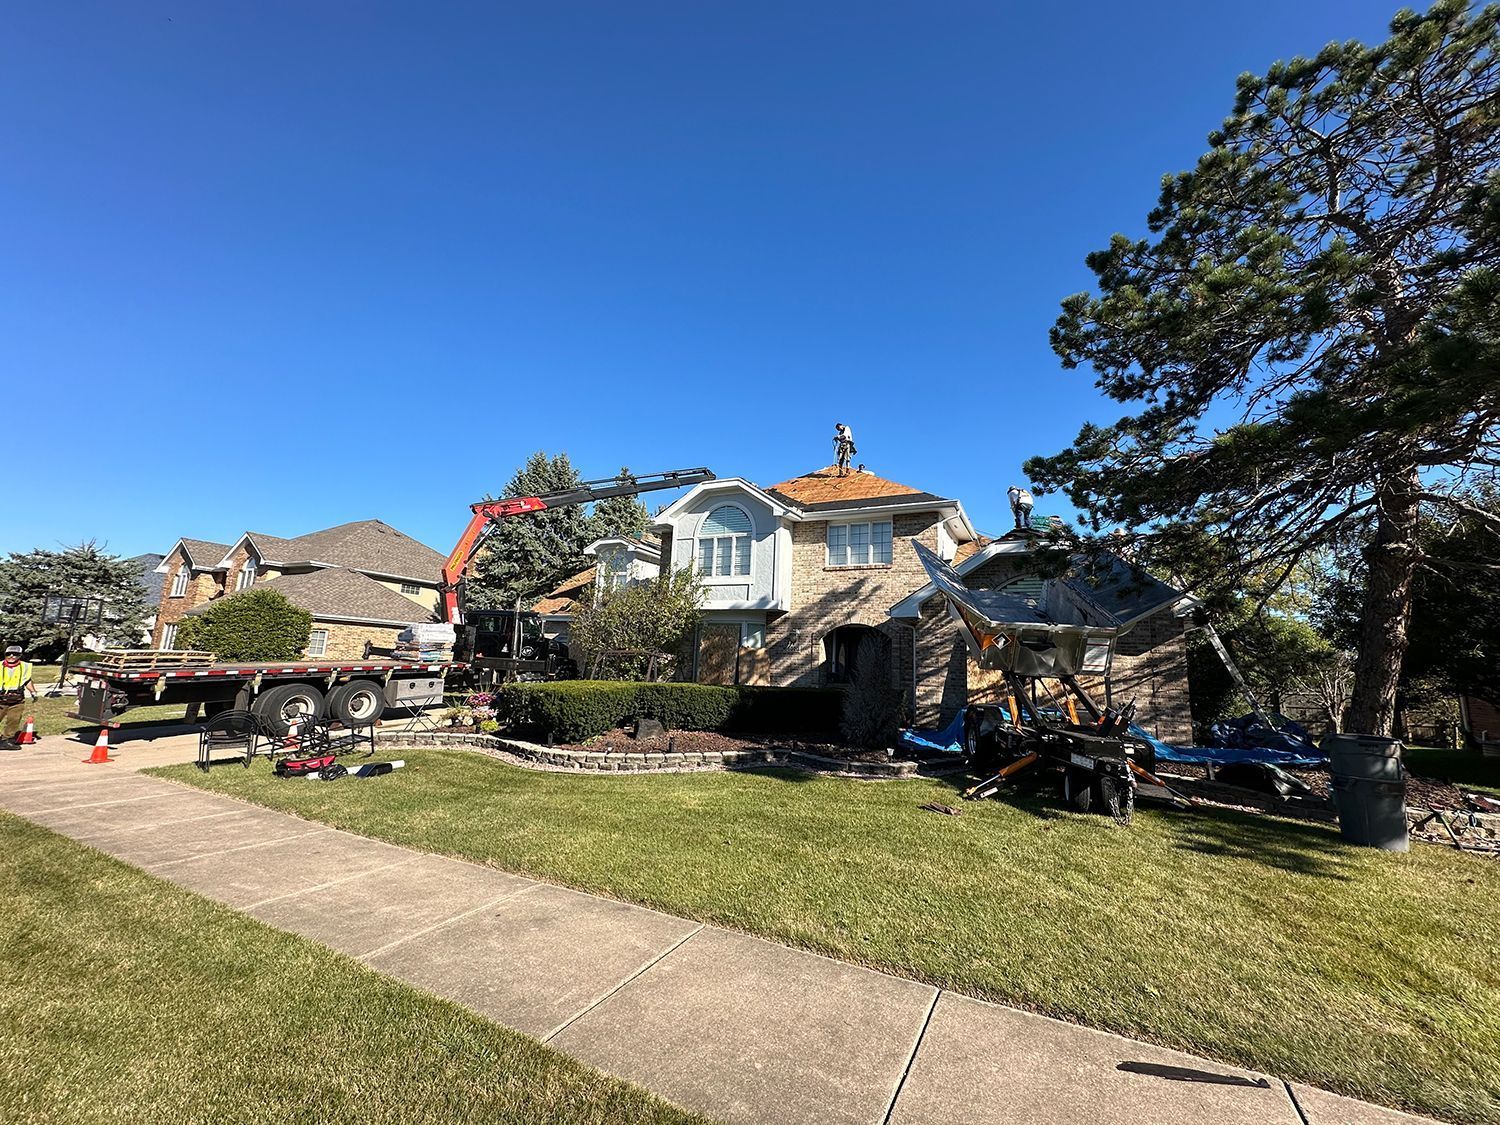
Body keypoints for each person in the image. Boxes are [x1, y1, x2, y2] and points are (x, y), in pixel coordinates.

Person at [0, 645, 38, 749]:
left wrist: (33, 692)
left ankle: (6, 741)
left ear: (20, 655)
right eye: (9, 654)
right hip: (1, 699)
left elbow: (27, 680)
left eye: (15, 654)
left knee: (14, 720)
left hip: (17, 699)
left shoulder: (25, 666)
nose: (11, 656)